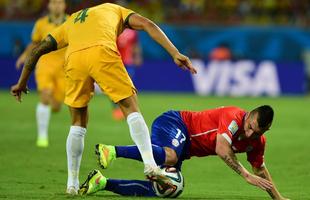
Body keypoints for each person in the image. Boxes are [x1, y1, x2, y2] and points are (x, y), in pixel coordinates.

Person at [10, 3, 197, 195]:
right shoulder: (114, 9)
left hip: (74, 60)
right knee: (131, 108)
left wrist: (22, 82)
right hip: (102, 52)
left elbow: (38, 49)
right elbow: (148, 24)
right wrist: (175, 52)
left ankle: (72, 184)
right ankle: (150, 164)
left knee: (77, 123)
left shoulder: (71, 19)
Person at [79, 105, 289, 200]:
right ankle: (112, 151)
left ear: (264, 132)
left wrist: (278, 197)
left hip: (184, 148)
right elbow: (221, 149)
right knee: (171, 155)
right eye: (250, 125)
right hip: (176, 123)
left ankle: (102, 183)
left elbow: (260, 169)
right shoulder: (233, 117)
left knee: (165, 189)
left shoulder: (257, 142)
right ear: (249, 114)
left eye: (256, 132)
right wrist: (245, 175)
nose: (249, 132)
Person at [15, 0, 67, 147]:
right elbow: (34, 43)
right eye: (54, 3)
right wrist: (24, 56)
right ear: (49, 6)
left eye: (59, 3)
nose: (57, 5)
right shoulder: (41, 23)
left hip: (64, 68)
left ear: (64, 5)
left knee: (56, 106)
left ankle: (53, 102)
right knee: (45, 94)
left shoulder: (71, 21)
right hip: (44, 65)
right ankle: (42, 136)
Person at [112, 28, 143, 120]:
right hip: (116, 61)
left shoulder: (133, 32)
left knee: (128, 86)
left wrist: (137, 56)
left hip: (128, 61)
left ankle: (129, 109)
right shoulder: (115, 29)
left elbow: (136, 45)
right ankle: (117, 108)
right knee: (116, 86)